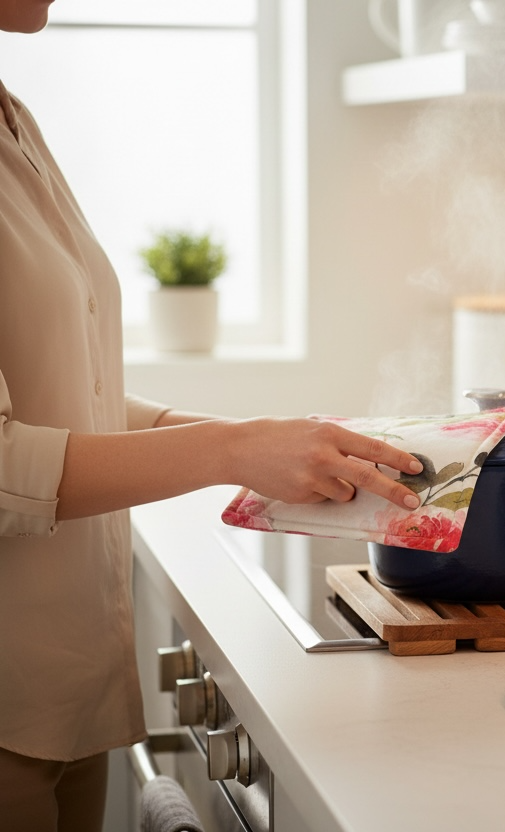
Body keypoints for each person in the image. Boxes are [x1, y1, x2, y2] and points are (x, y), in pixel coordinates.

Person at [0, 3, 425, 827]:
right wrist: (233, 449)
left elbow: (61, 387)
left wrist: (266, 442)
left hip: (63, 694)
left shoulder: (13, 116)